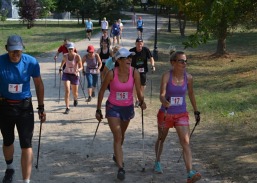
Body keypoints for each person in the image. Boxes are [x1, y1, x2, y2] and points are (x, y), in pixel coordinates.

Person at [0, 35, 46, 183]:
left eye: (18, 51)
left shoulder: (31, 62)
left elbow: (39, 84)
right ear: (7, 49)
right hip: (5, 106)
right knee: (8, 141)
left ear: (22, 49)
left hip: (24, 108)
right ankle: (10, 167)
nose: (15, 54)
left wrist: (41, 107)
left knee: (26, 144)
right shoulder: (0, 62)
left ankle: (26, 180)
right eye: (12, 51)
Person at [95, 47, 146, 181]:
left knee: (121, 135)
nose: (130, 59)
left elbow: (139, 91)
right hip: (113, 107)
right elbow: (101, 92)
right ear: (119, 60)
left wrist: (142, 101)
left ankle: (116, 154)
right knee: (117, 135)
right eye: (127, 58)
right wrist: (98, 109)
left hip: (127, 108)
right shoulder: (111, 73)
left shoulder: (134, 72)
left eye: (130, 57)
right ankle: (121, 168)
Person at [154, 50, 201, 183]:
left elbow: (191, 94)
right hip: (166, 113)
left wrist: (196, 111)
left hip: (181, 113)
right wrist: (164, 100)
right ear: (173, 62)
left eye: (185, 61)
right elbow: (161, 94)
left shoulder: (189, 77)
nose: (184, 63)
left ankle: (190, 173)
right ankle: (157, 161)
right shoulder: (166, 76)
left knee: (186, 142)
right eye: (181, 61)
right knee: (161, 139)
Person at [129, 38, 155, 107]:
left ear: (142, 44)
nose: (139, 45)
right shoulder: (132, 51)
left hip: (143, 70)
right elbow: (127, 59)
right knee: (134, 85)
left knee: (142, 85)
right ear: (135, 44)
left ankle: (141, 96)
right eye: (138, 44)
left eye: (140, 44)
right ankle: (136, 100)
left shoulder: (146, 50)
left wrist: (153, 65)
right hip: (134, 70)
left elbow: (151, 58)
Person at [59, 42, 83, 114]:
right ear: (67, 49)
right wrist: (60, 68)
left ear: (74, 49)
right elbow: (63, 63)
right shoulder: (65, 56)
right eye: (69, 49)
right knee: (67, 91)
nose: (70, 50)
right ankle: (67, 108)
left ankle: (75, 99)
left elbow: (81, 67)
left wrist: (78, 70)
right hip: (66, 74)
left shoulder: (77, 56)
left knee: (75, 92)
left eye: (71, 49)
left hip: (74, 75)